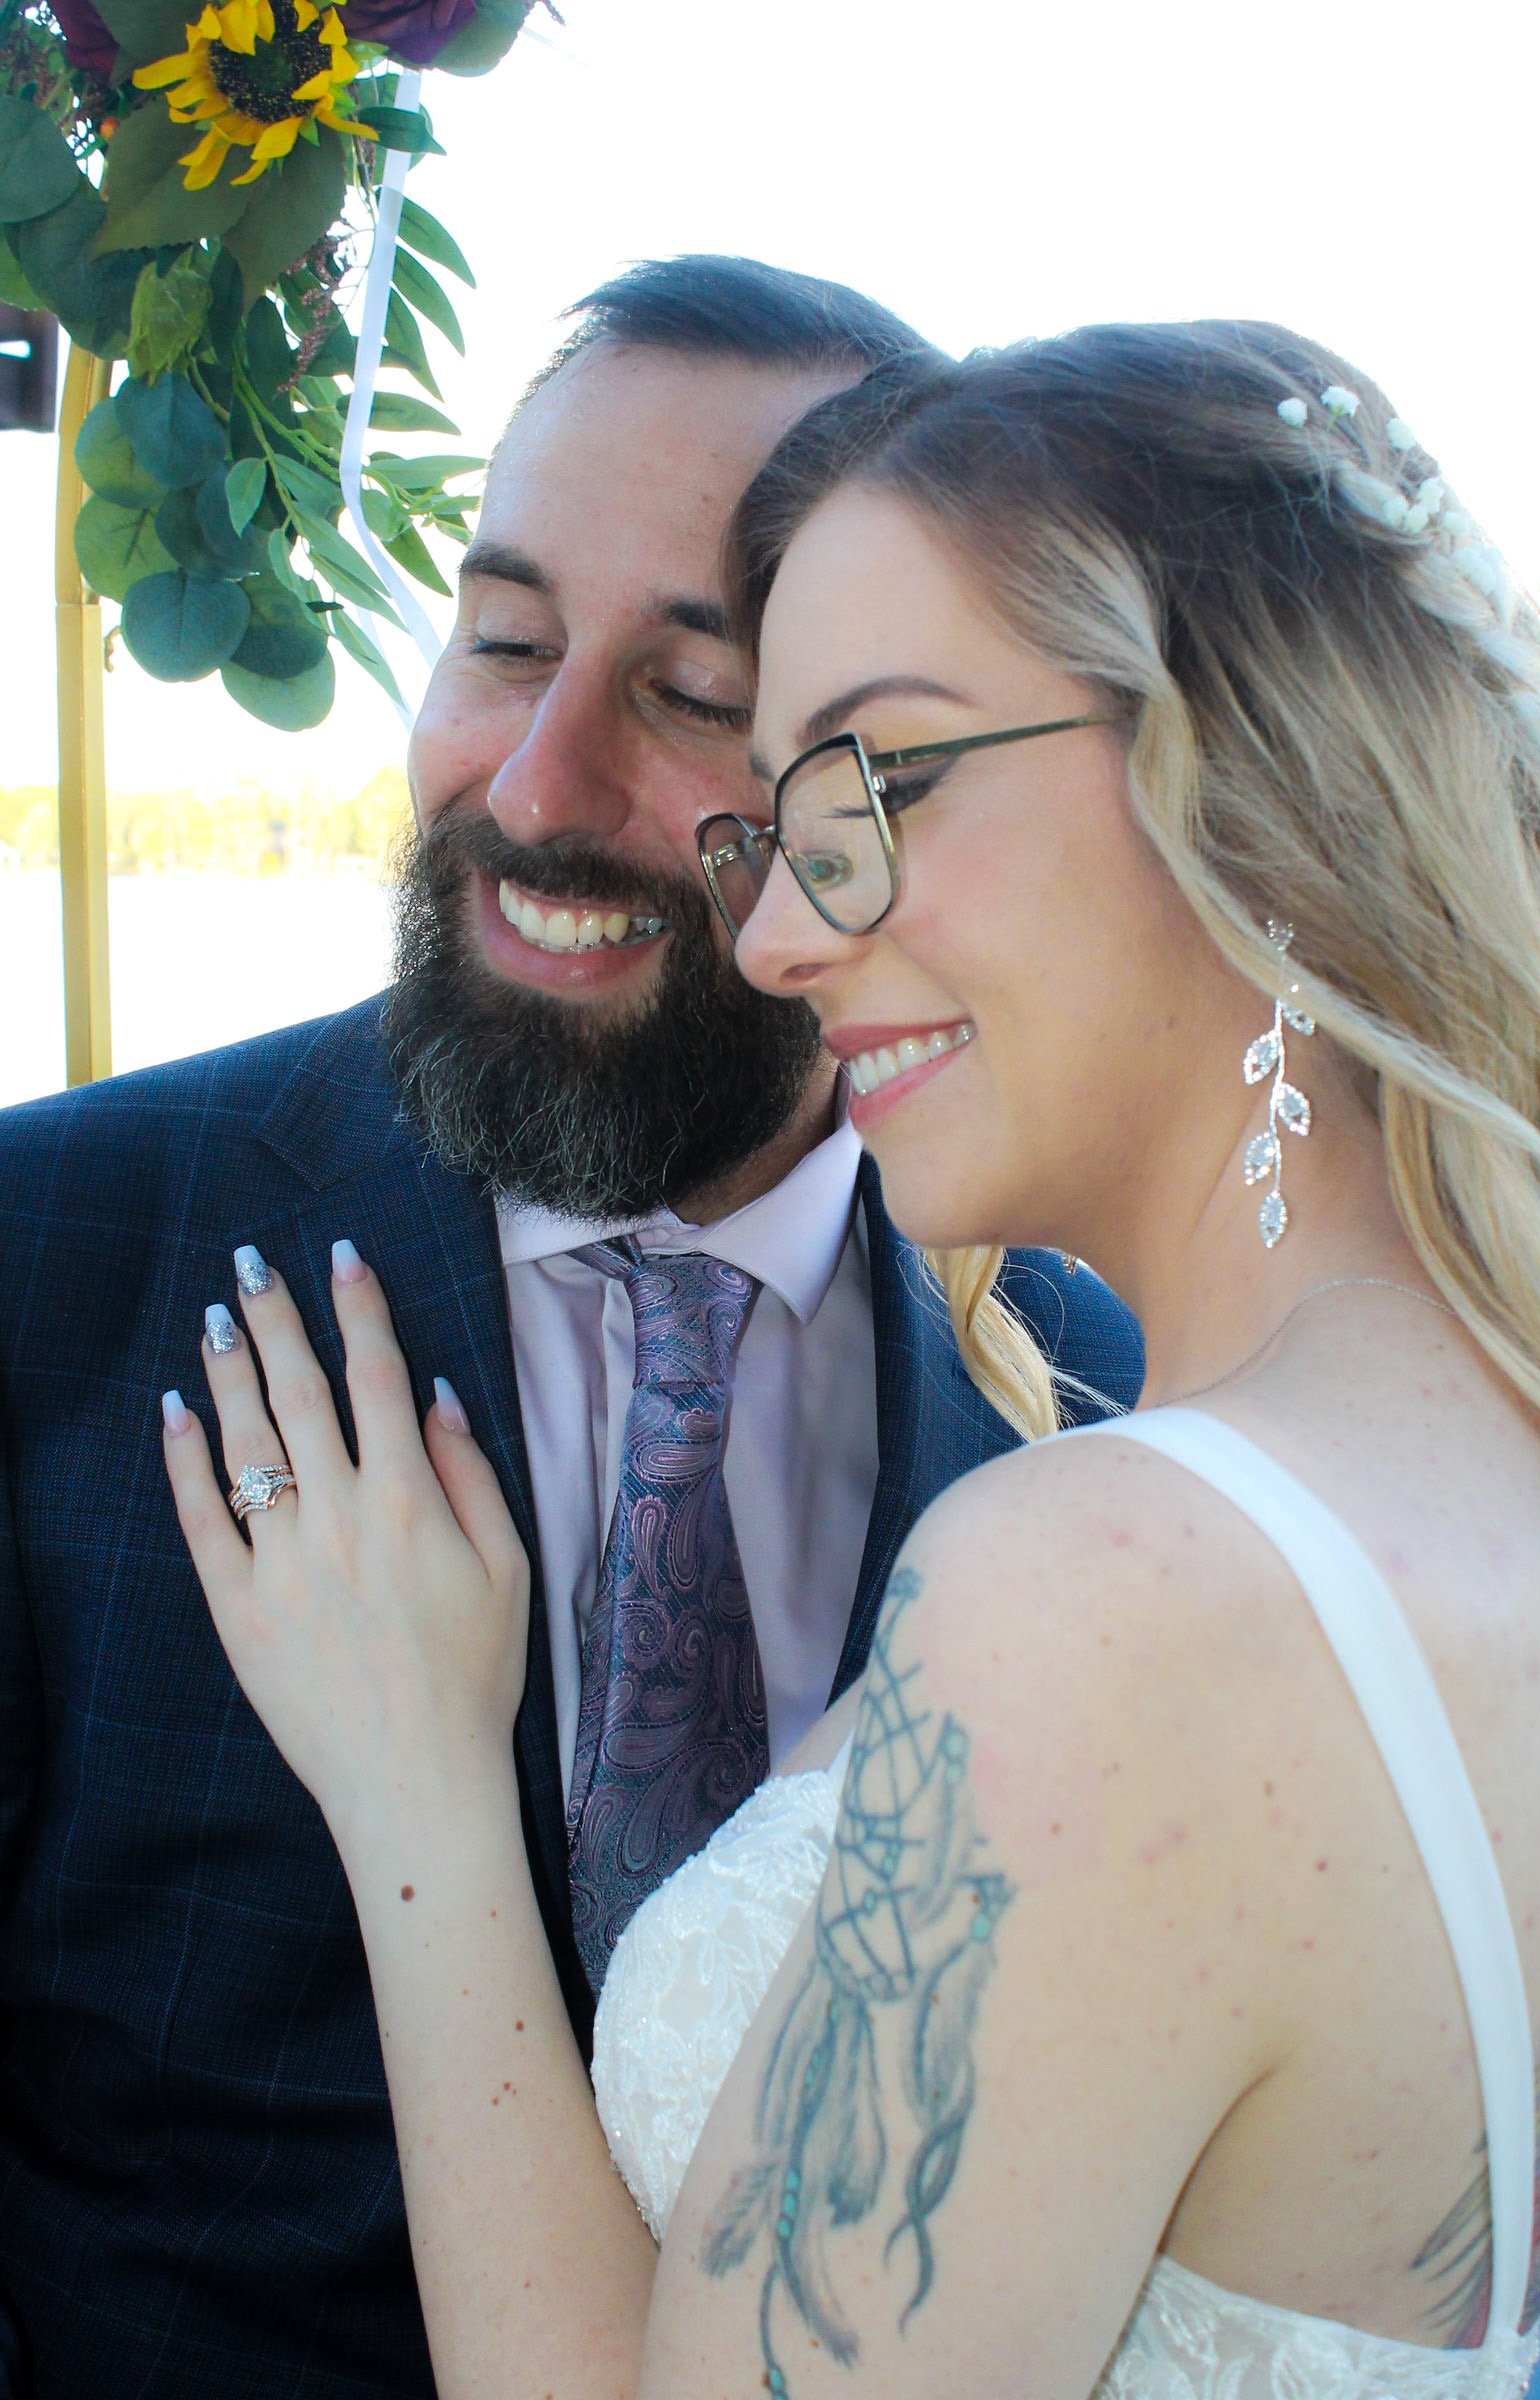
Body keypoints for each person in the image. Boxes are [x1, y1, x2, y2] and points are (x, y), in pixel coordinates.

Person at [159, 315, 1540, 2399]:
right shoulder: (1525, 1466)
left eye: (855, 784)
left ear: (1245, 774)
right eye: (778, 816)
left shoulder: (1106, 1587)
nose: (772, 929)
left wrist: (417, 1792)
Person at [0, 260, 1142, 2398]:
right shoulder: (42, 1260)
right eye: (503, 639)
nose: (532, 778)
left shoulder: (1105, 1381)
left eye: (693, 690)